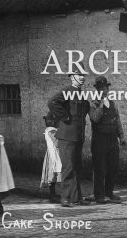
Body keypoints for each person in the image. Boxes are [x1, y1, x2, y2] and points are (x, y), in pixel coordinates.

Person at [47, 71, 91, 207]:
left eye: (83, 75)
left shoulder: (81, 94)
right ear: (72, 77)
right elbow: (52, 102)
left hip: (77, 136)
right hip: (67, 136)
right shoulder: (67, 90)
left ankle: (77, 198)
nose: (82, 78)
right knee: (68, 167)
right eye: (79, 75)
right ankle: (65, 198)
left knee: (77, 167)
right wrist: (65, 117)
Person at [89, 76, 126, 204]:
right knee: (100, 168)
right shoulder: (93, 104)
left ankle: (109, 192)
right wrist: (100, 104)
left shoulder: (113, 104)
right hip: (99, 139)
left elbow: (118, 121)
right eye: (100, 89)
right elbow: (95, 119)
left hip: (112, 139)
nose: (103, 91)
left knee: (113, 167)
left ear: (108, 88)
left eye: (105, 88)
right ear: (97, 90)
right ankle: (99, 195)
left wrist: (121, 137)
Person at [40, 114, 62, 203]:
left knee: (51, 174)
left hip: (50, 153)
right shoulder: (52, 131)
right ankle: (52, 195)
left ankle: (52, 194)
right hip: (54, 155)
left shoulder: (47, 130)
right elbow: (56, 143)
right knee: (54, 173)